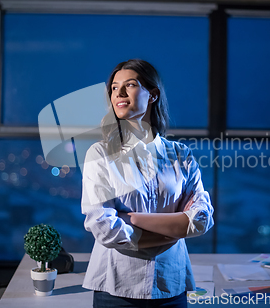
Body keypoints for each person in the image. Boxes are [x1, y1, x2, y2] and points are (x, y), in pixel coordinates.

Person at [81, 59, 214, 308]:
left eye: (129, 85)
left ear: (152, 94)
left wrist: (131, 219)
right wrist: (175, 229)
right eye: (114, 87)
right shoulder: (100, 154)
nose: (118, 93)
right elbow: (103, 228)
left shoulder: (180, 155)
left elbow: (201, 219)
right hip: (117, 289)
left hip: (171, 286)